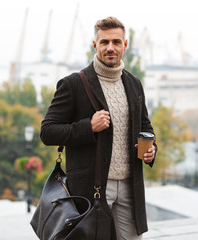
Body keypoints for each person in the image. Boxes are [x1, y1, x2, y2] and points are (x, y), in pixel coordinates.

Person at [40, 16, 157, 240]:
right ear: (95, 45)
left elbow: (145, 125)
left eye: (115, 42)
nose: (110, 48)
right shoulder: (73, 84)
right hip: (90, 187)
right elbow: (47, 132)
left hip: (130, 185)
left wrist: (152, 150)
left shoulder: (133, 83)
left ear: (125, 45)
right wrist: (88, 127)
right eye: (104, 42)